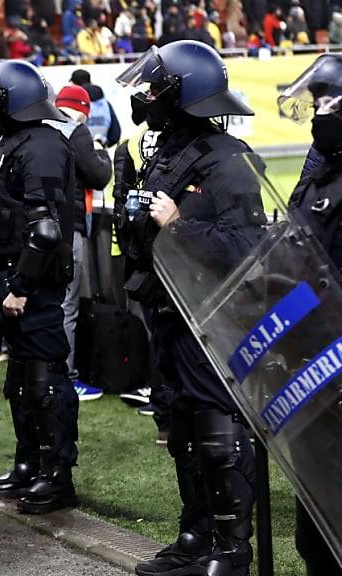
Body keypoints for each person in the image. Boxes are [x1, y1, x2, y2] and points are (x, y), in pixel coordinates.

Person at [115, 40, 259, 576]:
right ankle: (195, 535)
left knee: (218, 435)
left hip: (210, 317)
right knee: (180, 428)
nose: (147, 97)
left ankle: (230, 549)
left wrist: (178, 223)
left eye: (156, 89)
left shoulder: (228, 160)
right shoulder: (169, 152)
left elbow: (244, 248)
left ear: (184, 95)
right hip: (166, 310)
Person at [0, 61, 79, 514]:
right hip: (8, 274)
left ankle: (57, 474)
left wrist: (21, 286)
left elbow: (46, 230)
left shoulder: (45, 146)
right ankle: (29, 463)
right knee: (21, 380)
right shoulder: (8, 142)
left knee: (45, 378)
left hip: (33, 282)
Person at [280, 53, 342, 576]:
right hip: (312, 364)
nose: (321, 112)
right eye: (316, 101)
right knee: (315, 529)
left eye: (331, 102)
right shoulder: (319, 173)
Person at [54, 84, 112, 401]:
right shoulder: (77, 131)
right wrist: (101, 152)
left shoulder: (40, 128)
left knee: (44, 304)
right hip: (67, 228)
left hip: (37, 227)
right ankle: (66, 378)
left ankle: (40, 375)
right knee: (66, 306)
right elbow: (99, 175)